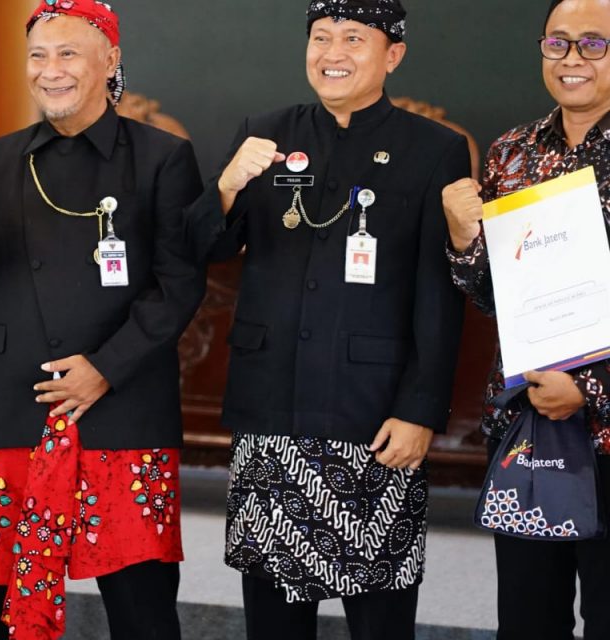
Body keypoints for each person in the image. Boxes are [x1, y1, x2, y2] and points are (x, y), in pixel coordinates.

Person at [0, 2, 206, 638]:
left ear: (110, 61)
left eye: (69, 53)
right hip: (21, 402)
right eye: (38, 56)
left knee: (142, 605)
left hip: (123, 409)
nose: (51, 71)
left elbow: (179, 285)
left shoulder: (163, 157)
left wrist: (104, 369)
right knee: (12, 608)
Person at [187, 1, 471, 638]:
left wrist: (421, 409)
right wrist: (227, 185)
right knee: (274, 620)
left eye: (352, 39)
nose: (332, 53)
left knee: (380, 618)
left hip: (374, 420)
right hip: (273, 417)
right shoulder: (264, 134)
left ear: (392, 55)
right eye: (321, 38)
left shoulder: (435, 150)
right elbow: (201, 248)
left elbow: (438, 291)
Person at [441, 1, 610, 637]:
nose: (572, 59)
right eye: (558, 43)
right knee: (526, 618)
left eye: (593, 44)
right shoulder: (514, 151)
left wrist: (589, 390)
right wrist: (463, 241)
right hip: (525, 419)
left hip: (605, 423)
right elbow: (491, 295)